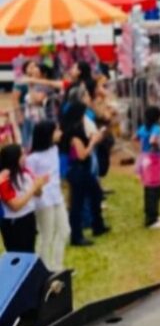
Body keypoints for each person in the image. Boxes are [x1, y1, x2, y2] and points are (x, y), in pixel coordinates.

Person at [60, 101, 109, 246]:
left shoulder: (72, 131)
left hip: (80, 170)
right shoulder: (74, 135)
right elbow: (82, 155)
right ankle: (77, 235)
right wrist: (93, 141)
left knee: (95, 195)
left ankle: (97, 225)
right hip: (78, 170)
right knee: (78, 203)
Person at [26, 121, 69, 271]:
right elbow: (31, 181)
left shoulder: (55, 150)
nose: (60, 133)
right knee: (46, 236)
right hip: (43, 201)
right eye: (56, 130)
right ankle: (43, 268)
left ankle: (57, 265)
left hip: (57, 197)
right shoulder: (33, 159)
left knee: (64, 230)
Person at [0, 143, 47, 253]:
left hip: (29, 217)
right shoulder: (5, 179)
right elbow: (15, 206)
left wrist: (38, 186)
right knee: (17, 256)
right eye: (22, 155)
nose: (25, 157)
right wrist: (33, 189)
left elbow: (38, 193)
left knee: (30, 252)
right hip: (14, 222)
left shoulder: (25, 173)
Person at [136, 135, 160, 229]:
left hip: (148, 183)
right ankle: (151, 221)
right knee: (154, 201)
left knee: (149, 200)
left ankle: (153, 217)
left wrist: (142, 175)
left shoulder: (144, 156)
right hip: (156, 183)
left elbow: (138, 168)